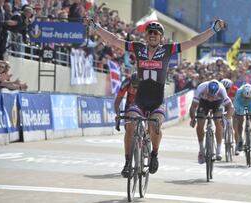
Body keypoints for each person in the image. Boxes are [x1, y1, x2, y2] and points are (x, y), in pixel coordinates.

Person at [86, 16, 227, 175]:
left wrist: (213, 30)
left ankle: (154, 154)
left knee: (155, 127)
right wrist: (96, 27)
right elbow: (114, 39)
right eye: (150, 33)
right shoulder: (137, 48)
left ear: (161, 37)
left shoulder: (168, 49)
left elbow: (194, 41)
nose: (152, 35)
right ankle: (127, 163)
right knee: (130, 125)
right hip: (140, 101)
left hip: (157, 101)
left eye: (156, 33)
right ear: (146, 35)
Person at [189, 80, 234, 163]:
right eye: (209, 95)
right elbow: (193, 107)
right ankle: (201, 150)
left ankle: (219, 150)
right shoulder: (201, 88)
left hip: (217, 103)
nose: (211, 98)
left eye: (213, 96)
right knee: (200, 122)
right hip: (203, 102)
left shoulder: (222, 90)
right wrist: (193, 118)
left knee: (218, 122)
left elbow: (231, 108)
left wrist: (225, 119)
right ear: (206, 90)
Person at [113, 72, 139, 177]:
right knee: (129, 130)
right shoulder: (126, 83)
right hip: (130, 104)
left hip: (143, 102)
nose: (135, 89)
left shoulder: (145, 84)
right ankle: (127, 162)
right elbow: (117, 101)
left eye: (138, 87)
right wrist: (118, 115)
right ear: (130, 83)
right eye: (133, 87)